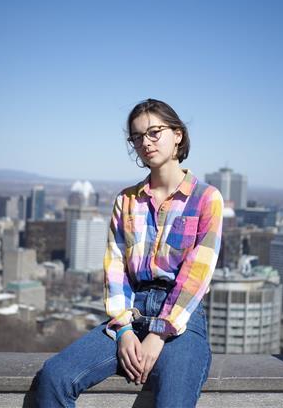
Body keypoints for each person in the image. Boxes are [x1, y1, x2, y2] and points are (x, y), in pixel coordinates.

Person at [35, 98, 224, 408]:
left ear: (177, 134)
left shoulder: (206, 198)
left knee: (172, 402)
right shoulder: (126, 200)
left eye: (154, 132)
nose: (144, 143)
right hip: (131, 312)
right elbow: (116, 268)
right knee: (55, 376)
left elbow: (196, 276)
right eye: (137, 137)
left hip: (181, 319)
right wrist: (123, 329)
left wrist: (159, 333)